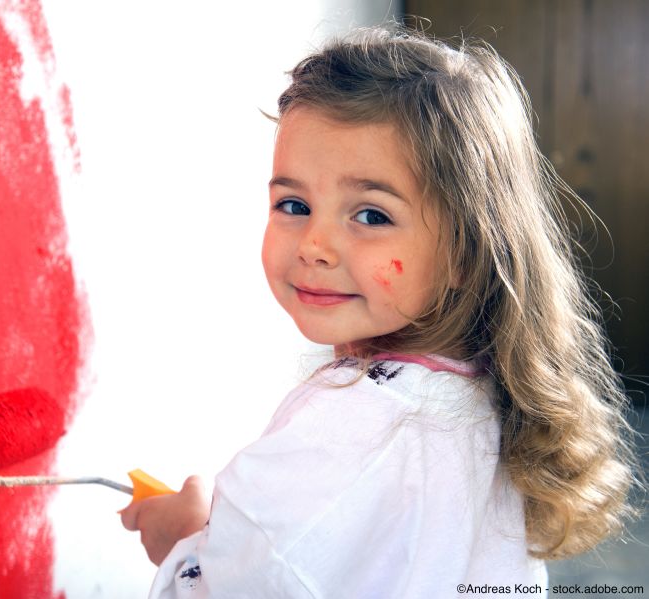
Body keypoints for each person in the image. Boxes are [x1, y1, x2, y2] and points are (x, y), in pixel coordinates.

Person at [120, 26, 638, 598]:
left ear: (466, 252)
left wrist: (186, 543)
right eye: (294, 205)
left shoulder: (344, 431)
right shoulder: (487, 389)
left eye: (370, 215)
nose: (314, 244)